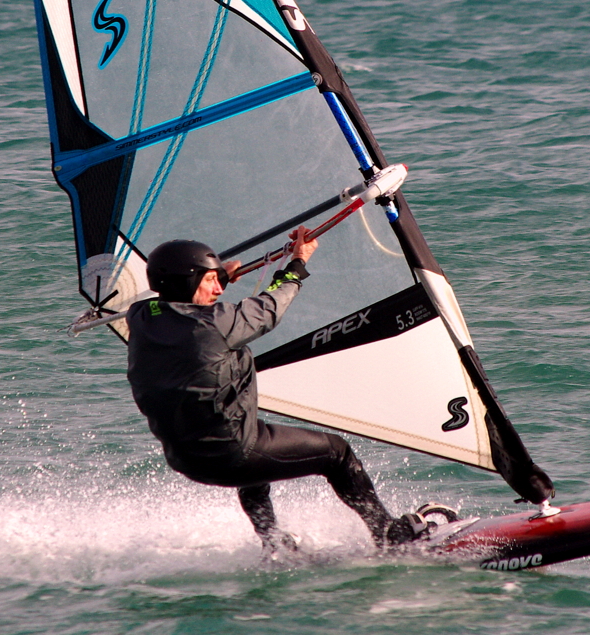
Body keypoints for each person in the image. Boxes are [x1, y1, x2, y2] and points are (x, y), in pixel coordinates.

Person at [124, 228, 425, 553]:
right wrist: (297, 263)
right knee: (337, 454)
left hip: (185, 459)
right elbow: (270, 307)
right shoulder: (215, 323)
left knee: (253, 459)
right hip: (232, 455)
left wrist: (219, 275)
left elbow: (178, 303)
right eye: (209, 281)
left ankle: (273, 542)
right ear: (187, 282)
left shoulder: (140, 316)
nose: (218, 289)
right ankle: (387, 533)